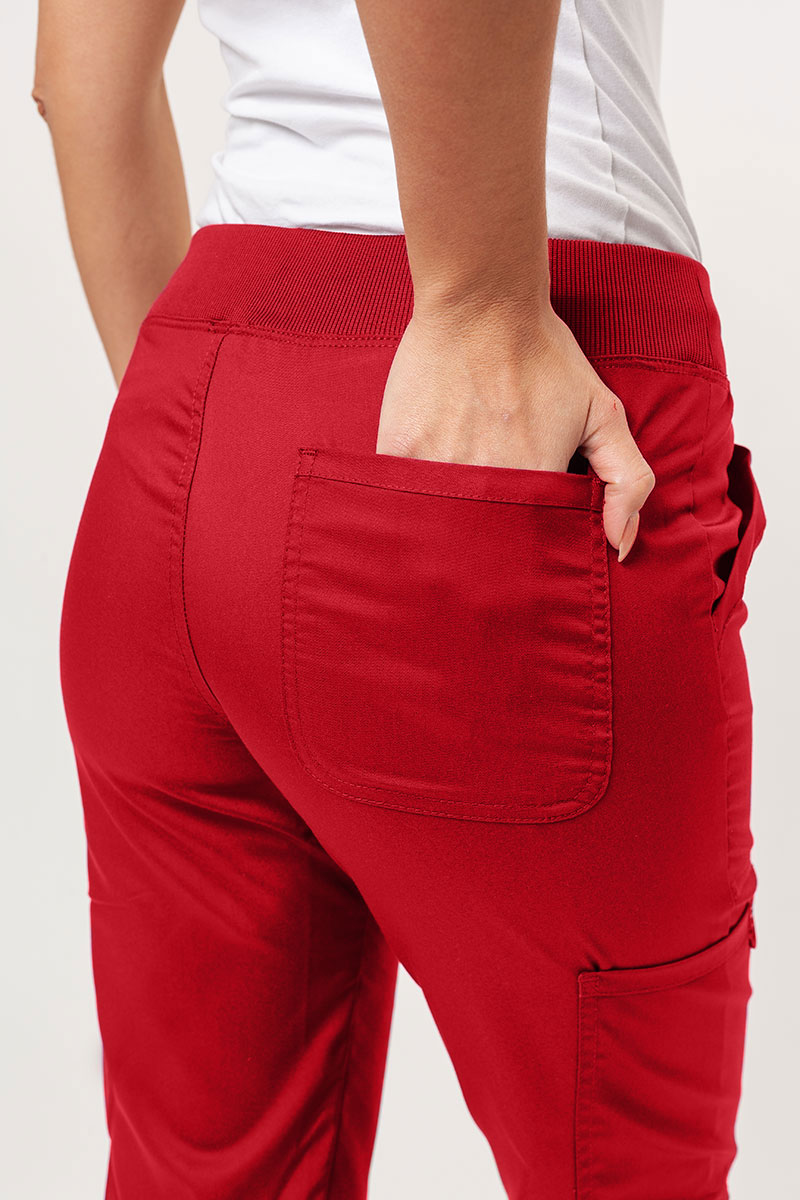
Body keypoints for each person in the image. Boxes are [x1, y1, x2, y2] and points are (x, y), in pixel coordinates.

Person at [34, 0, 767, 1196]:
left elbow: (83, 86)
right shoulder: (485, 311)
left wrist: (223, 452)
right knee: (625, 1173)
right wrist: (483, 303)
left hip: (190, 427)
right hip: (508, 364)